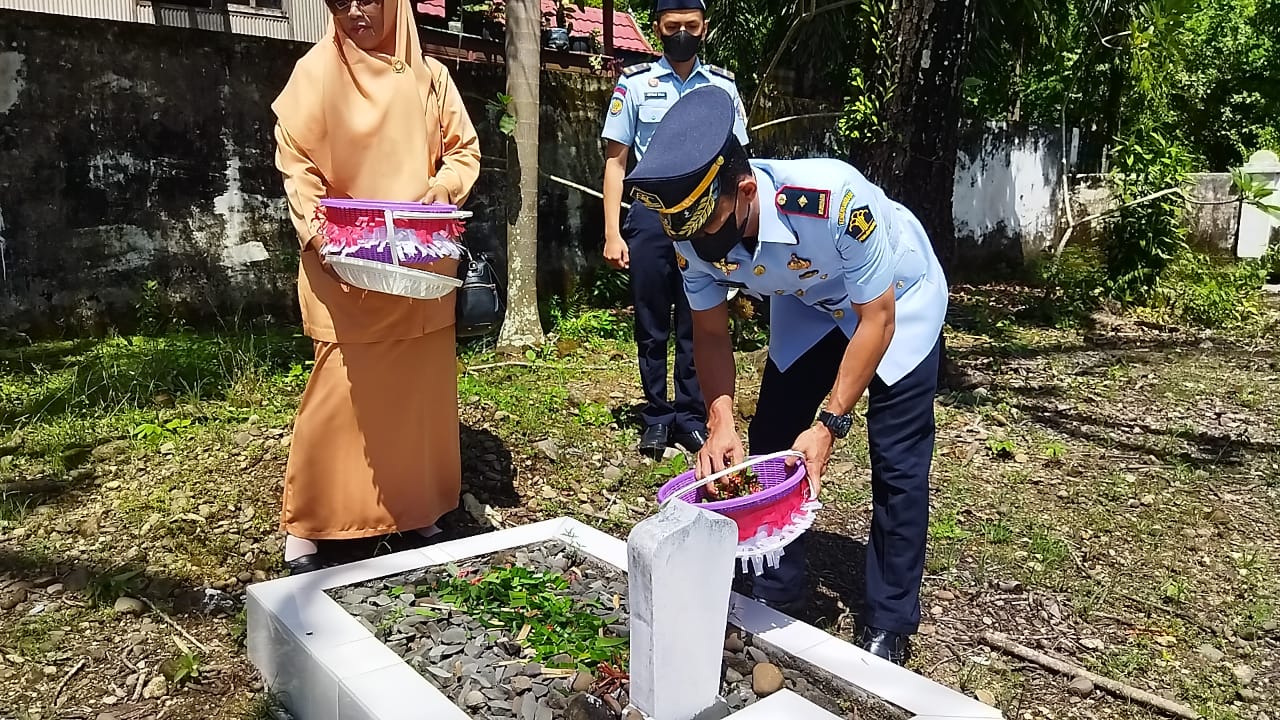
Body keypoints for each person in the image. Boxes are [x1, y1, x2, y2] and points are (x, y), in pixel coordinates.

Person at [624, 86, 948, 665]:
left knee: (897, 463)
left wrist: (830, 422)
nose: (700, 246)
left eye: (710, 228)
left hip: (898, 297)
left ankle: (889, 619)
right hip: (806, 300)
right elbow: (712, 332)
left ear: (746, 190)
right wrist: (720, 416)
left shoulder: (832, 198)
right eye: (688, 234)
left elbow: (876, 318)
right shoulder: (693, 231)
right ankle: (776, 585)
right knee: (771, 438)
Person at [271, 0, 481, 574]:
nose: (355, 11)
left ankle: (415, 506)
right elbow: (298, 169)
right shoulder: (313, 76)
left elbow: (465, 151)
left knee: (418, 392)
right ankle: (313, 521)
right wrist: (325, 238)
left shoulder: (430, 77)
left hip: (416, 266)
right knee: (340, 392)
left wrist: (443, 188)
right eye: (341, 2)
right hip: (347, 271)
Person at [600, 0, 750, 458]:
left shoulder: (723, 87)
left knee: (697, 319)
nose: (682, 33)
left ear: (704, 28)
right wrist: (612, 231)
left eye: (691, 25)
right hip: (649, 215)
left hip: (708, 216)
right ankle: (657, 415)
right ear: (658, 29)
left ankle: (691, 415)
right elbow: (615, 161)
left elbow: (741, 159)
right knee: (651, 318)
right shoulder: (635, 84)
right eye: (672, 26)